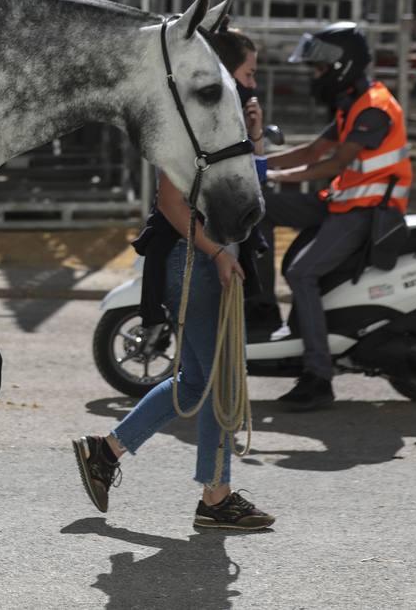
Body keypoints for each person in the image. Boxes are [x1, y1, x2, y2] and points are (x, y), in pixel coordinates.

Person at [73, 26, 275, 531]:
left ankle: (108, 450)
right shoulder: (188, 124)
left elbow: (240, 192)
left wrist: (252, 139)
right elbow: (170, 202)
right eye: (248, 73)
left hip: (206, 258)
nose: (253, 84)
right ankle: (215, 495)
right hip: (193, 260)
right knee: (219, 381)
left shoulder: (220, 127)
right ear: (227, 74)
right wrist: (216, 253)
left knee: (198, 380)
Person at [263, 22, 412, 412]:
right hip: (342, 203)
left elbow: (333, 164)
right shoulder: (352, 102)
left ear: (340, 65)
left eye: (318, 67)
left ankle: (318, 376)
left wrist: (277, 176)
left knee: (301, 272)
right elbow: (313, 151)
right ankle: (258, 308)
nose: (314, 75)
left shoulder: (375, 108)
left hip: (368, 213)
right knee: (259, 204)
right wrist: (254, 164)